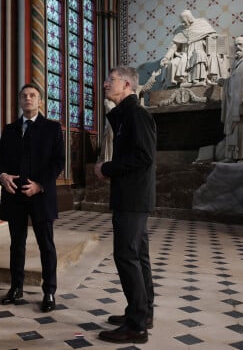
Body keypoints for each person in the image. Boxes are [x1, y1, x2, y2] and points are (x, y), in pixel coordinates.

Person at [94, 65, 155, 344]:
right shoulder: (126, 114)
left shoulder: (136, 114)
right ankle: (142, 312)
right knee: (138, 255)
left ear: (128, 85)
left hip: (132, 198)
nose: (106, 84)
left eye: (111, 80)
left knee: (126, 257)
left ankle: (136, 326)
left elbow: (143, 157)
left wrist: (107, 168)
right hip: (132, 196)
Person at [0, 83, 65, 313]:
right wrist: (2, 176)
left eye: (33, 95)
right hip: (15, 194)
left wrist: (40, 185)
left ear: (40, 101)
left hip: (41, 195)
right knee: (17, 244)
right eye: (24, 95)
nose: (28, 99)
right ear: (20, 100)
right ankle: (16, 287)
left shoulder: (52, 128)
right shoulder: (10, 129)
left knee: (47, 245)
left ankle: (49, 292)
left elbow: (58, 162)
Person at [160, 9, 224, 88]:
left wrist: (212, 40)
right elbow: (174, 46)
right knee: (172, 64)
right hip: (185, 54)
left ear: (189, 19)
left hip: (199, 50)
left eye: (184, 21)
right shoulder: (180, 30)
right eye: (182, 21)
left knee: (198, 55)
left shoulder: (202, 24)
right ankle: (176, 84)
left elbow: (212, 38)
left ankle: (198, 80)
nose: (183, 23)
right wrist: (166, 57)